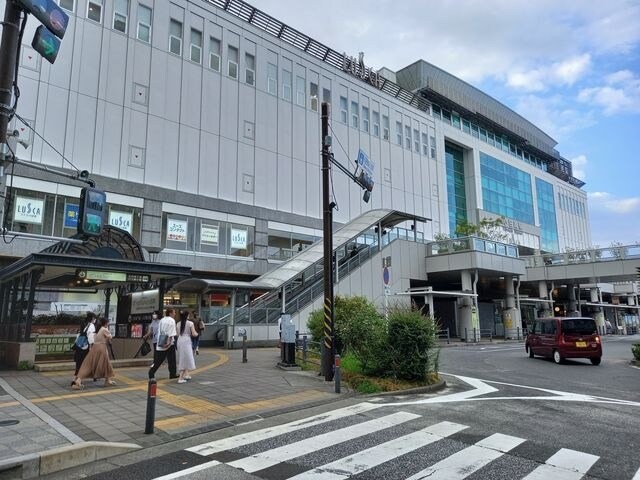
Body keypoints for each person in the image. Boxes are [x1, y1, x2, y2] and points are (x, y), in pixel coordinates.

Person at [72, 317, 116, 389]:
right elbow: (110, 337)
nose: (108, 324)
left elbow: (93, 339)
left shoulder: (97, 329)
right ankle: (107, 381)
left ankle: (78, 380)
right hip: (101, 348)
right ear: (106, 323)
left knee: (88, 364)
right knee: (106, 363)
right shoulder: (104, 329)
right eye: (108, 323)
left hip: (94, 348)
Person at [148, 307, 178, 380]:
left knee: (159, 359)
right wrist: (169, 341)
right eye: (174, 312)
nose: (175, 314)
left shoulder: (162, 319)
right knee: (171, 359)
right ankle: (172, 373)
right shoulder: (172, 320)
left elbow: (160, 330)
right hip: (169, 342)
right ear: (170, 313)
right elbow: (171, 332)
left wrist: (160, 341)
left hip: (161, 340)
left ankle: (151, 373)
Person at [71, 312, 96, 386]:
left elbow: (78, 335)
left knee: (78, 363)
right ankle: (78, 380)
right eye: (94, 318)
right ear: (92, 318)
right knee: (84, 363)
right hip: (85, 347)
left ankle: (75, 379)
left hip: (79, 345)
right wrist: (91, 346)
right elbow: (91, 337)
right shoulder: (91, 325)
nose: (95, 320)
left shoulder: (83, 324)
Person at [176, 311, 198, 384]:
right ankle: (180, 378)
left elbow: (177, 334)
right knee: (185, 358)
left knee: (183, 357)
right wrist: (197, 334)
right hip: (186, 341)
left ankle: (186, 374)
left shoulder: (178, 324)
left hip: (180, 340)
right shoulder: (190, 323)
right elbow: (194, 334)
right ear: (187, 316)